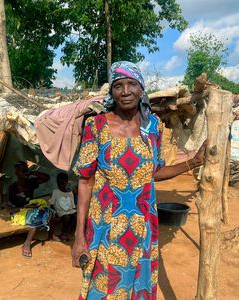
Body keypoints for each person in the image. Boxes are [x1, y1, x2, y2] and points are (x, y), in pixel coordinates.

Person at [71, 61, 206, 299]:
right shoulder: (96, 126)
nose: (125, 91)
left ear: (141, 88)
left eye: (132, 84)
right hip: (105, 225)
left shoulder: (152, 127)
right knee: (103, 288)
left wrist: (193, 162)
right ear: (111, 91)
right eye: (118, 85)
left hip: (143, 225)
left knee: (137, 287)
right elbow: (85, 182)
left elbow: (153, 172)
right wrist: (79, 236)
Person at [5, 161, 51, 258]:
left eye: (26, 170)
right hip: (18, 213)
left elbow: (46, 178)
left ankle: (48, 235)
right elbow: (8, 208)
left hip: (31, 210)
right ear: (16, 172)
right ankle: (26, 244)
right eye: (22, 171)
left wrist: (32, 173)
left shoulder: (30, 183)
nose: (25, 173)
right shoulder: (12, 188)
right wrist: (24, 208)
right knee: (38, 216)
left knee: (49, 210)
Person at [49, 172, 77, 242]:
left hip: (69, 210)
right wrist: (54, 212)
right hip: (60, 211)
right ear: (57, 182)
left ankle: (67, 232)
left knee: (75, 216)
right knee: (66, 216)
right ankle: (64, 232)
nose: (61, 183)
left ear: (67, 182)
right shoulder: (55, 192)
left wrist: (74, 210)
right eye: (59, 181)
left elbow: (72, 205)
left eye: (64, 181)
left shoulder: (70, 192)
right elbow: (52, 203)